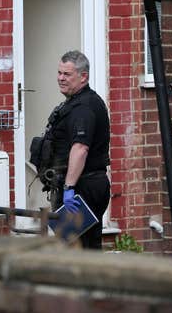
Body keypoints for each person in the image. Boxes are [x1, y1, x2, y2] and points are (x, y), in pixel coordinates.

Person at [39, 50, 110, 249]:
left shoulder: (84, 107)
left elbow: (80, 149)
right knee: (77, 246)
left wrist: (69, 188)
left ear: (83, 76)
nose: (61, 78)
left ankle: (88, 280)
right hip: (81, 186)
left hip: (82, 189)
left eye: (67, 74)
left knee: (80, 248)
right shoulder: (75, 103)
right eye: (59, 73)